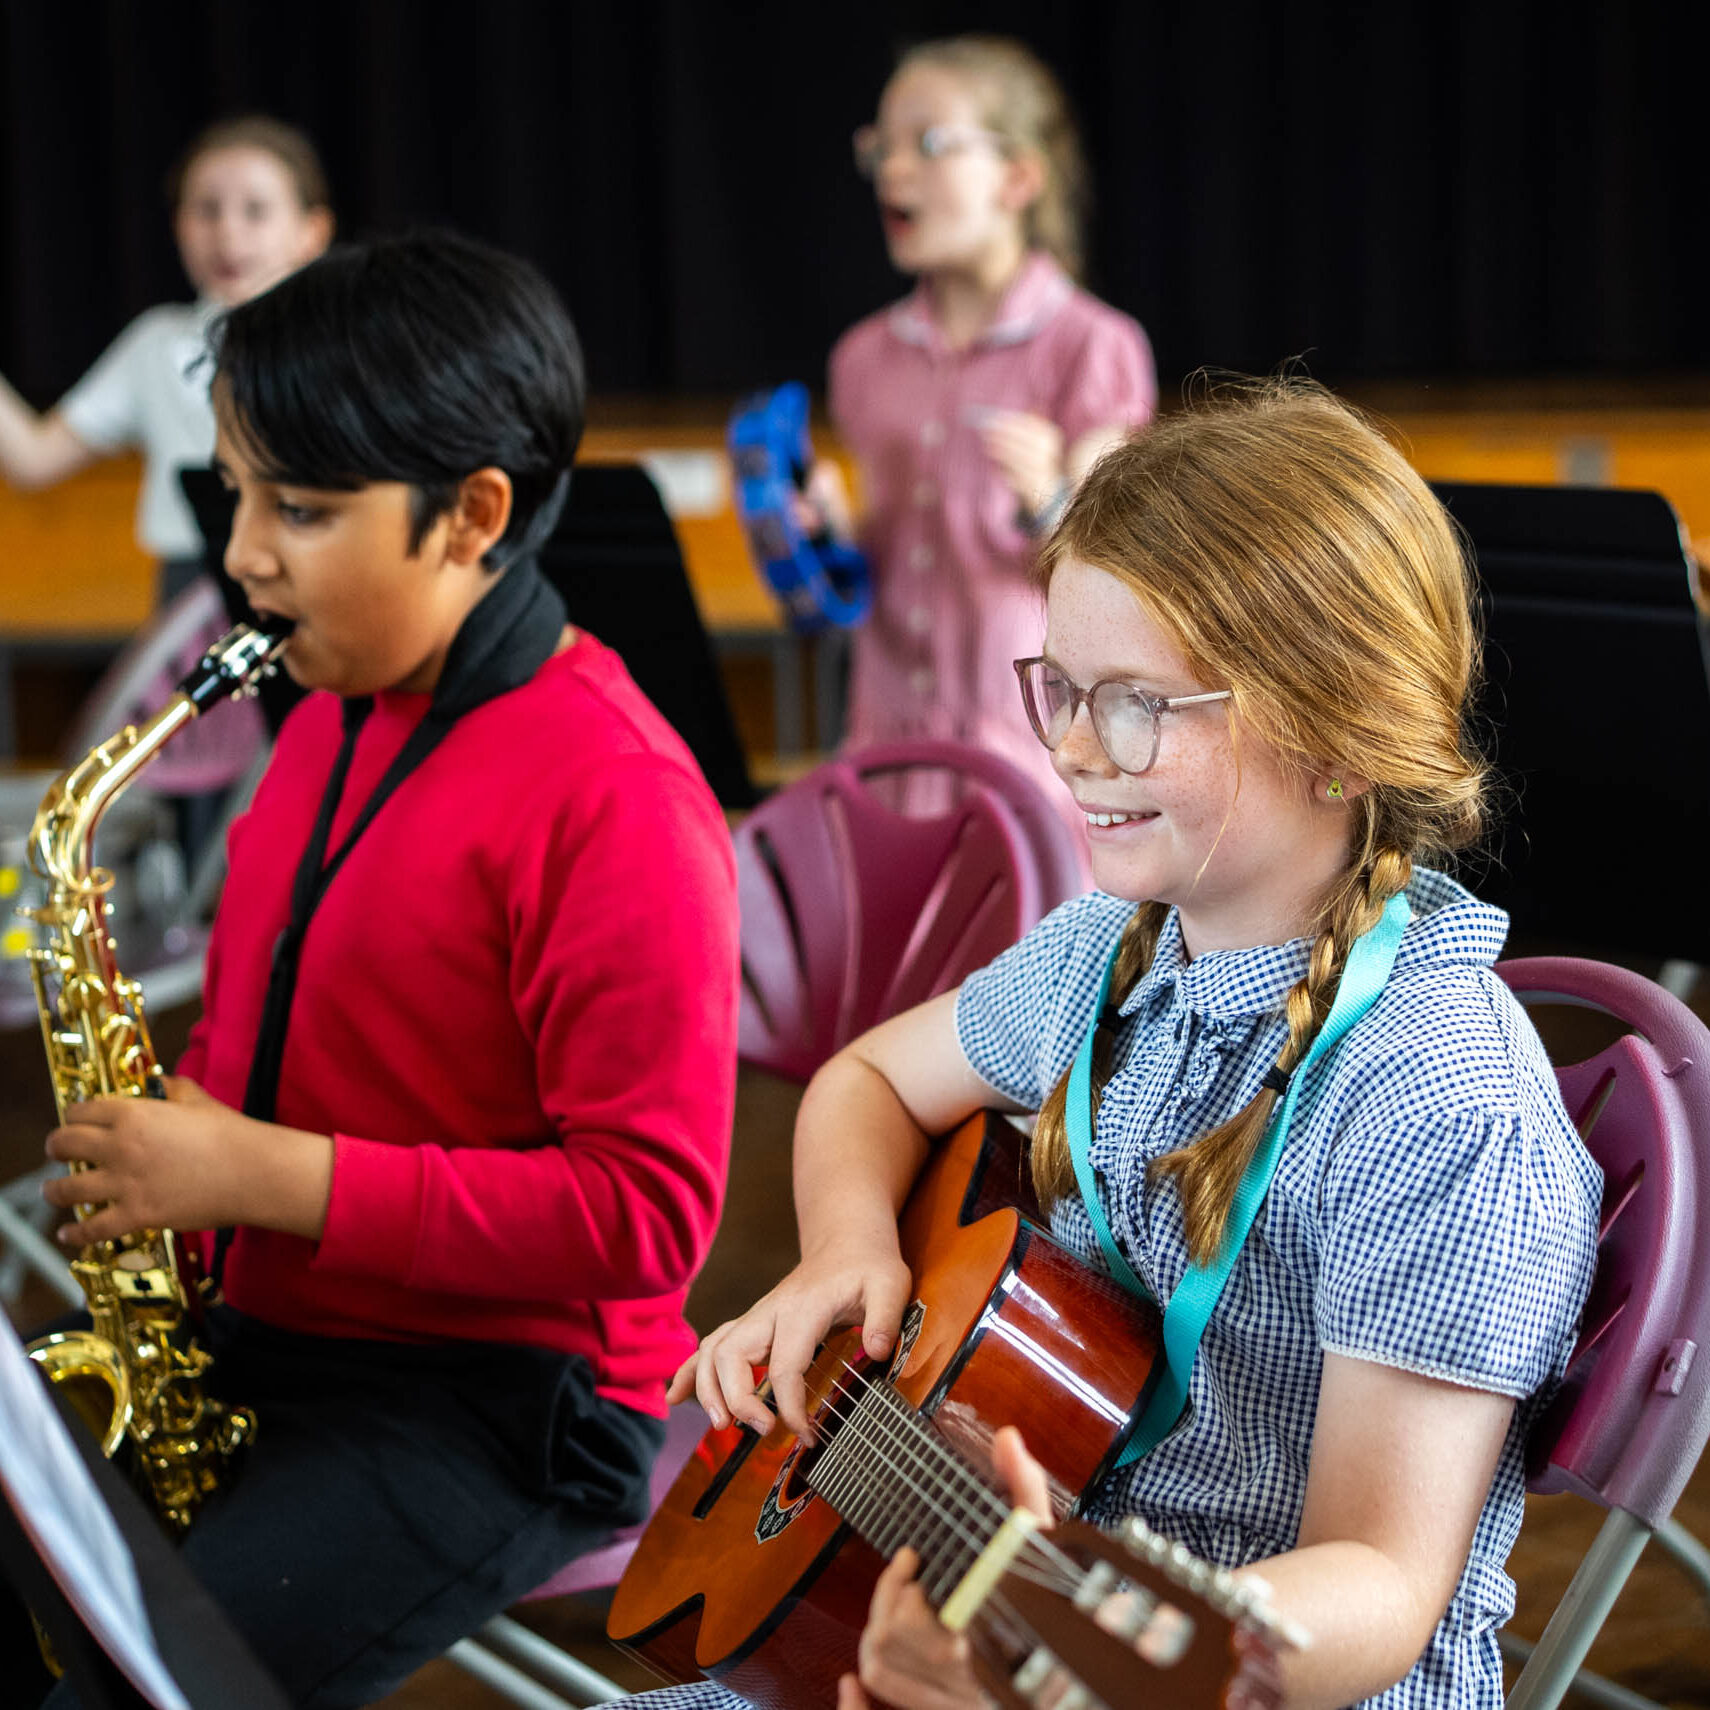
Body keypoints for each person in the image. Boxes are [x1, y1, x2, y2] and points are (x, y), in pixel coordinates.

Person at [646, 379, 1602, 1709]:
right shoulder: (1108, 951)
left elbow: (1382, 1585)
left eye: (1137, 704)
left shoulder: (1438, 1106)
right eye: (1060, 689)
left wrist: (1065, 1645)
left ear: (1338, 733)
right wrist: (847, 1250)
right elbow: (865, 1081)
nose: (1074, 750)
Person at [18, 230, 741, 1709]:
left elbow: (647, 1217)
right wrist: (178, 1147)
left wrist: (258, 1176)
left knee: (135, 1684)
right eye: (236, 492)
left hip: (503, 1402)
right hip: (279, 1329)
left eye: (301, 509)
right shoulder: (331, 708)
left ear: (472, 516)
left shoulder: (615, 795)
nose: (243, 554)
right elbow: (262, 1024)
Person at [806, 35, 1155, 816]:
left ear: (1019, 177)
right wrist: (830, 534)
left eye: (929, 144)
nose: (894, 170)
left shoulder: (1093, 347)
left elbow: (1115, 575)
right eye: (882, 147)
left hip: (1027, 766)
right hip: (887, 761)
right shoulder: (862, 358)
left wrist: (1051, 500)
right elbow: (888, 558)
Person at [0, 115, 333, 600]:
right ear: (178, 226)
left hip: (319, 582)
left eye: (256, 210)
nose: (228, 232)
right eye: (207, 210)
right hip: (192, 591)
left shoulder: (347, 342)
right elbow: (35, 459)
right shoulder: (154, 344)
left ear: (313, 230)